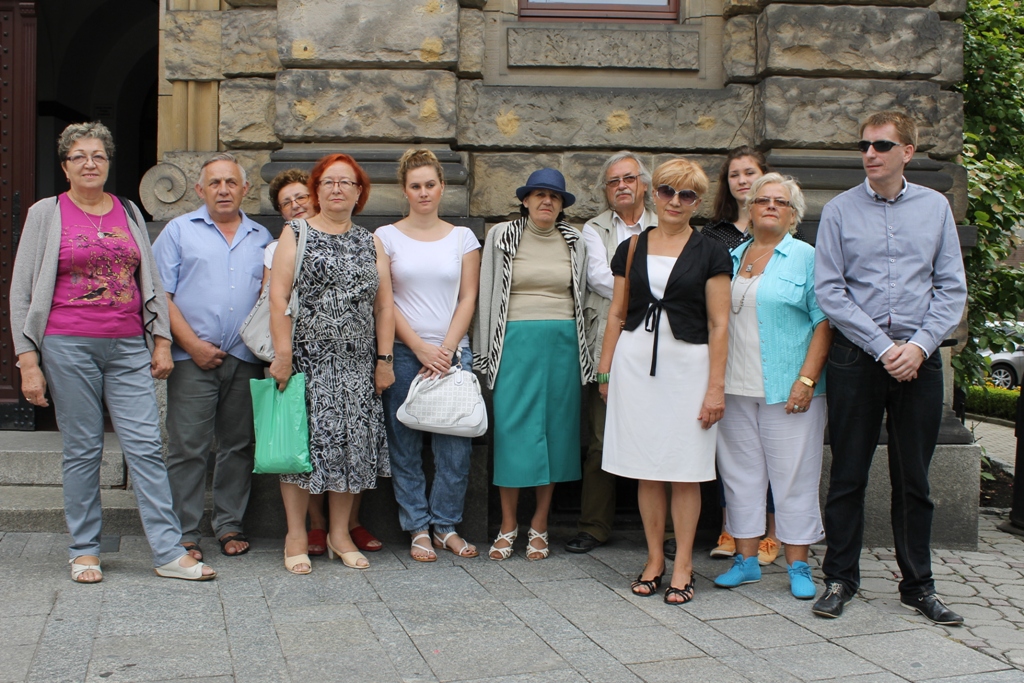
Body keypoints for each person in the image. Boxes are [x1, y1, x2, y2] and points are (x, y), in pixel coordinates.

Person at [10, 121, 214, 581]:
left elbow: (151, 280)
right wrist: (28, 360)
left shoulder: (128, 211)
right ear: (65, 166)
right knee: (83, 449)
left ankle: (168, 552)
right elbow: (22, 290)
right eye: (79, 156)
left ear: (108, 162)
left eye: (98, 156)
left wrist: (161, 339)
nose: (90, 163)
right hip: (67, 343)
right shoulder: (46, 212)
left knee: (145, 446)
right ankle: (84, 550)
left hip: (127, 344)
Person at [812, 111, 967, 624]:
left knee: (914, 479)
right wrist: (883, 348)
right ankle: (840, 579)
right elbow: (830, 291)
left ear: (907, 152)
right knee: (848, 474)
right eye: (864, 145)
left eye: (881, 145)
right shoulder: (839, 210)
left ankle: (918, 585)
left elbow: (951, 288)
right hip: (858, 356)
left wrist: (919, 346)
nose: (870, 154)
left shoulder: (935, 207)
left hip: (920, 359)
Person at [598, 157, 731, 604]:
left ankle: (684, 565)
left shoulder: (712, 251)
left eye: (686, 194)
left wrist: (716, 387)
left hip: (689, 370)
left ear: (698, 201)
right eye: (666, 191)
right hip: (635, 366)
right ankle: (654, 559)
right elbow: (617, 314)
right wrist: (605, 371)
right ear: (652, 193)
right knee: (646, 469)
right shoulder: (631, 247)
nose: (675, 201)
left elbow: (719, 325)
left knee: (686, 469)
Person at [268, 153, 394, 574]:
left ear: (360, 193)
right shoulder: (296, 232)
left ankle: (340, 534)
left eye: (347, 182)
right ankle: (296, 535)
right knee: (300, 448)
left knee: (351, 447)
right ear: (317, 191)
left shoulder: (371, 241)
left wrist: (384, 359)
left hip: (357, 362)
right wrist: (283, 354)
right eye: (329, 182)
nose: (337, 189)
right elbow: (278, 296)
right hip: (307, 360)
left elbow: (384, 306)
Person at [712, 173, 832, 599]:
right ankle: (746, 562)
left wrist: (807, 379)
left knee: (794, 477)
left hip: (789, 389)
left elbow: (824, 322)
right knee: (739, 476)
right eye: (763, 200)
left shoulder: (806, 257)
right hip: (734, 386)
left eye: (781, 202)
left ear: (793, 215)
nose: (770, 207)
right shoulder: (730, 256)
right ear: (749, 208)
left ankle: (798, 564)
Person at [153, 152, 271, 561]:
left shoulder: (261, 237)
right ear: (200, 190)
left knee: (238, 445)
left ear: (245, 189)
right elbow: (160, 295)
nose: (223, 190)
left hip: (245, 357)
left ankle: (229, 524)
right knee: (188, 447)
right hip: (192, 358)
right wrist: (190, 345)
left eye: (231, 182)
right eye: (215, 183)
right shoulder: (178, 230)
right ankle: (183, 532)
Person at [475, 168, 592, 561]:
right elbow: (487, 292)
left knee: (556, 432)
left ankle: (540, 523)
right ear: (525, 200)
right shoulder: (501, 236)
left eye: (554, 196)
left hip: (563, 342)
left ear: (561, 205)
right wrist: (484, 350)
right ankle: (508, 524)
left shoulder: (575, 240)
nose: (547, 201)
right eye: (539, 194)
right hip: (514, 341)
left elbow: (584, 294)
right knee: (512, 431)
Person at [379, 150, 482, 561]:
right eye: (415, 186)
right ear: (405, 190)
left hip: (452, 354)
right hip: (404, 352)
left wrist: (446, 350)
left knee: (455, 448)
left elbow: (468, 297)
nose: (423, 192)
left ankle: (446, 526)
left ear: (442, 187)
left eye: (430, 184)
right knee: (404, 445)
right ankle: (417, 527)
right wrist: (420, 347)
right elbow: (385, 301)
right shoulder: (385, 236)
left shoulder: (463, 238)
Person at [566, 152, 657, 555]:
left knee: (657, 435)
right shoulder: (594, 228)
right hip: (606, 340)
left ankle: (666, 532)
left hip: (657, 343)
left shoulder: (664, 222)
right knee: (601, 438)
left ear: (643, 185)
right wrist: (651, 289)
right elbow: (599, 277)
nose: (621, 186)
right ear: (606, 190)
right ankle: (594, 526)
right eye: (613, 181)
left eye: (629, 178)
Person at [701, 146, 781, 565]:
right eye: (734, 174)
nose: (743, 180)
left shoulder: (780, 227)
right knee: (732, 451)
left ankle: (772, 533)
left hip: (771, 353)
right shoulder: (714, 235)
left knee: (772, 450)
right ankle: (731, 528)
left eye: (750, 172)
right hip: (729, 353)